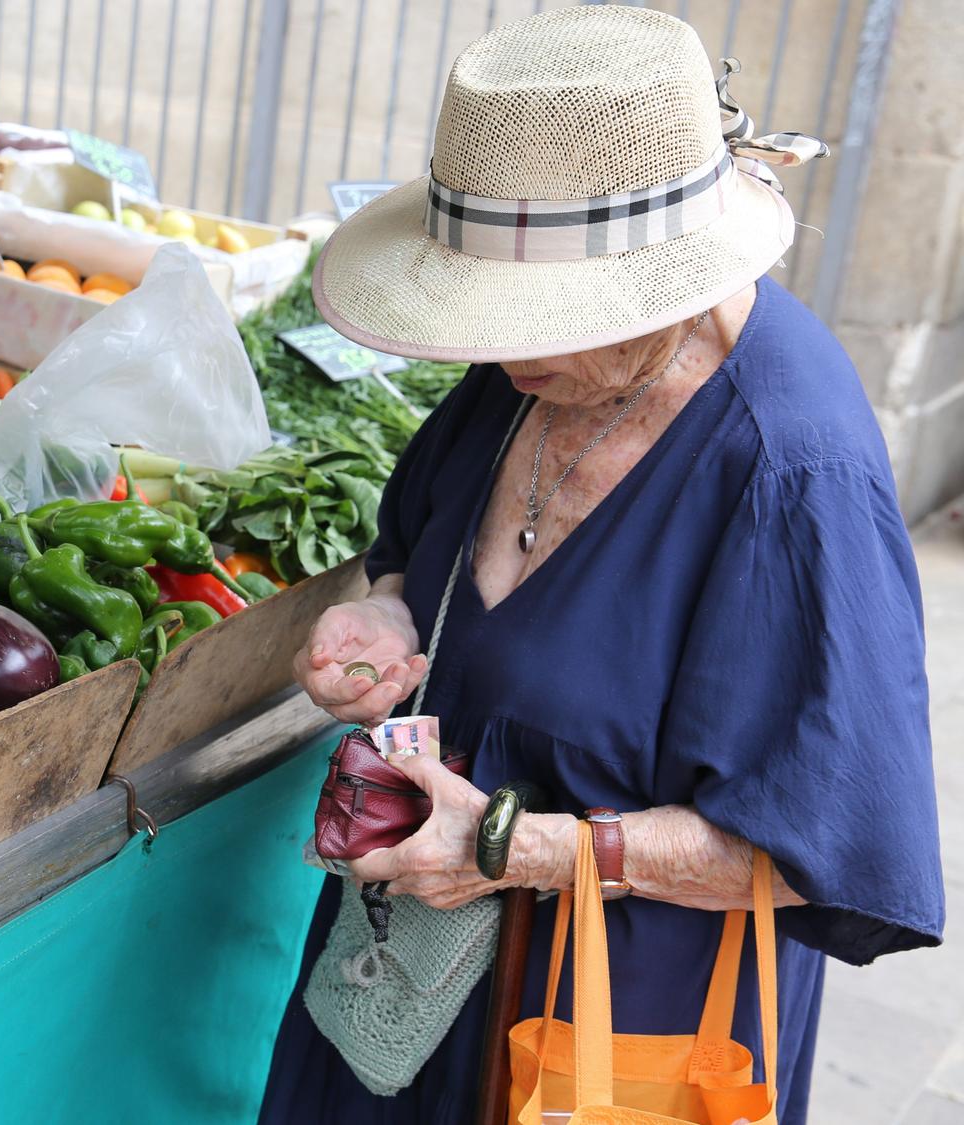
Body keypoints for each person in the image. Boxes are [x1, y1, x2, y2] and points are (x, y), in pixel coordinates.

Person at [258, 8, 944, 1125]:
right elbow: (412, 547)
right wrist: (385, 620)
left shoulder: (791, 476)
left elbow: (823, 851)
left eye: (545, 314)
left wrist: (509, 849)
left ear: (671, 279)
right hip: (407, 988)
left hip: (608, 1032)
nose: (506, 348)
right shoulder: (538, 365)